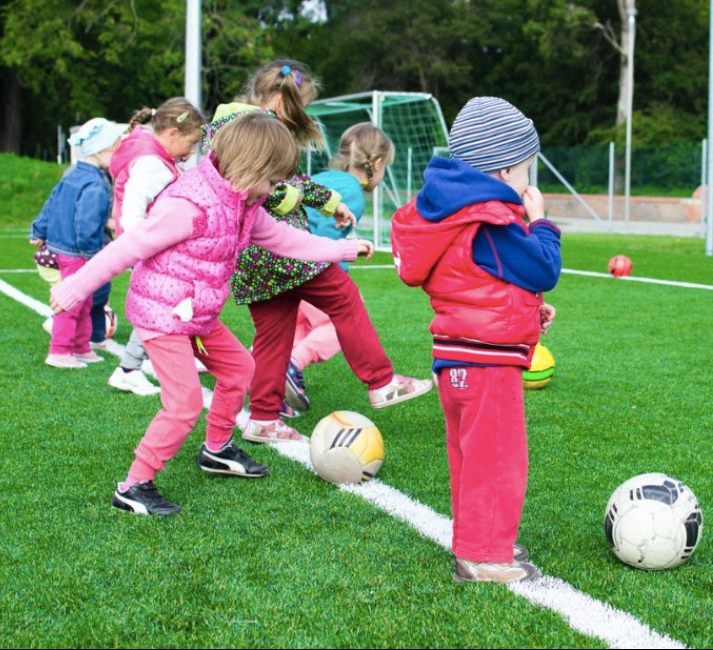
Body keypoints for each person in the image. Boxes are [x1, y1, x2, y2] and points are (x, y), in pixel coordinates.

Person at [49, 112, 374, 516]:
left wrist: (341, 249)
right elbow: (128, 248)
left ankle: (216, 450)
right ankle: (133, 485)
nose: (276, 191)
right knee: (184, 403)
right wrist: (74, 288)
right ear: (250, 168)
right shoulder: (189, 205)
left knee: (241, 369)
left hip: (197, 315)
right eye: (273, 181)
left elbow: (283, 239)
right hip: (163, 315)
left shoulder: (245, 203)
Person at [203, 59, 431, 445]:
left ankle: (262, 417)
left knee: (275, 335)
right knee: (343, 298)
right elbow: (262, 187)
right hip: (281, 250)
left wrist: (330, 203)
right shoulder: (251, 127)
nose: (301, 115)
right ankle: (381, 381)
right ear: (279, 99)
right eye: (300, 106)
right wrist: (296, 202)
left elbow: (291, 179)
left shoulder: (231, 123)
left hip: (252, 258)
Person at [390, 97, 561, 583]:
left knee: (470, 458)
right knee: (498, 460)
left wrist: (529, 311)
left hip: (457, 357)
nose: (530, 182)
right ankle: (483, 556)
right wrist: (542, 221)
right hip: (486, 365)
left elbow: (475, 281)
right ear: (505, 168)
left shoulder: (452, 214)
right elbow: (543, 265)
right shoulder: (490, 220)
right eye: (527, 169)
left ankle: (478, 539)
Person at [284, 122, 396, 412]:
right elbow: (324, 236)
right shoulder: (353, 194)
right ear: (378, 163)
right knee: (338, 323)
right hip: (309, 268)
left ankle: (261, 371)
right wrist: (341, 259)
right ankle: (293, 364)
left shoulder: (323, 177)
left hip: (282, 265)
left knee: (291, 329)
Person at [105, 97, 206, 397]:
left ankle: (154, 362)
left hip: (154, 248)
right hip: (151, 250)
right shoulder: (152, 164)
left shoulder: (156, 157)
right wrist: (142, 245)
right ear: (173, 135)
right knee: (161, 308)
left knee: (174, 303)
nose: (190, 154)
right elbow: (134, 209)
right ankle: (128, 369)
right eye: (190, 143)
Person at [30, 117, 126, 368]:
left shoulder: (73, 174)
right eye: (115, 150)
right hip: (79, 252)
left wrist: (38, 228)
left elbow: (51, 202)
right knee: (73, 301)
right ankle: (60, 350)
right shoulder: (95, 183)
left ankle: (81, 347)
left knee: (84, 300)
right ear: (102, 151)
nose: (117, 156)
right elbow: (87, 221)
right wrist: (92, 254)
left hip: (67, 248)